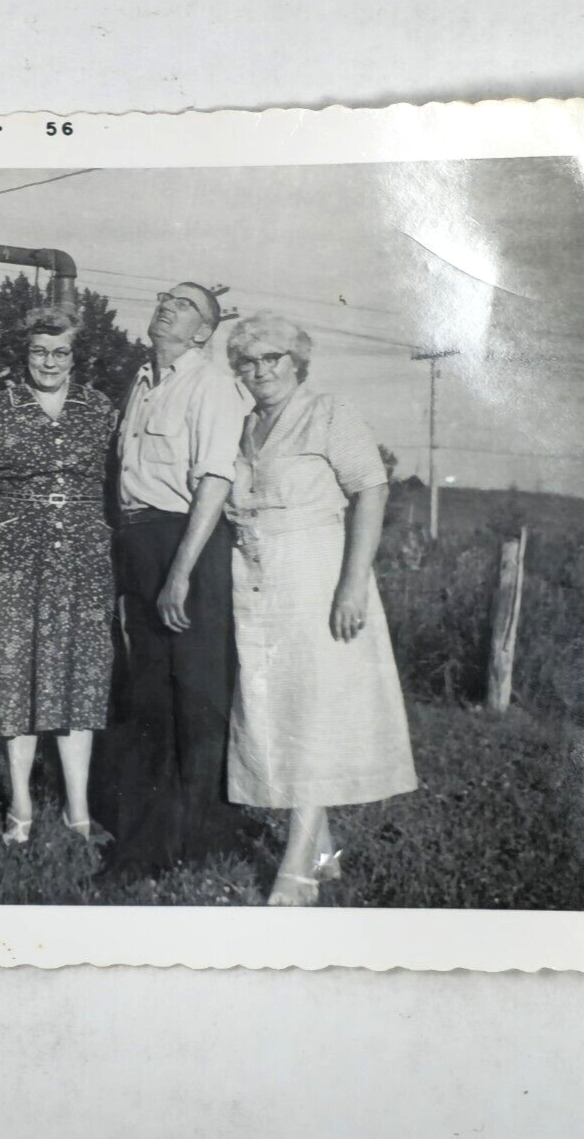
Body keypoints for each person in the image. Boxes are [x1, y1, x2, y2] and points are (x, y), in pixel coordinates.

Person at [222, 313, 418, 906]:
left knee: (312, 713)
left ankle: (296, 870)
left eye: (272, 358)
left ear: (297, 363)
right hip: (257, 579)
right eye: (248, 362)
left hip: (316, 574)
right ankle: (324, 852)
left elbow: (371, 490)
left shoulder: (329, 412)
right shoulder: (246, 426)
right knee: (279, 709)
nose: (261, 371)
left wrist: (352, 585)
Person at [103, 282, 251, 879]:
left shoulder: (212, 385)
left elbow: (215, 481)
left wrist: (181, 573)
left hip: (188, 542)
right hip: (141, 541)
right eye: (165, 297)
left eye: (186, 304)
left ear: (204, 332)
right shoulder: (141, 383)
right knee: (148, 700)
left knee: (197, 699)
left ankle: (202, 841)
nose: (167, 305)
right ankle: (146, 847)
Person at [0, 304, 117, 844]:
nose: (49, 362)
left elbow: (115, 486)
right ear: (24, 353)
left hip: (84, 556)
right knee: (17, 674)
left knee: (81, 674)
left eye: (60, 352)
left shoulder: (101, 410)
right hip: (13, 556)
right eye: (38, 351)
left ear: (75, 356)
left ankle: (78, 810)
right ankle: (21, 806)